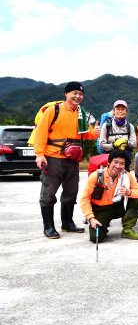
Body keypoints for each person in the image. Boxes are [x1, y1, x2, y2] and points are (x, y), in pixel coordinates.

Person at [34, 81, 100, 238]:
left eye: (80, 94)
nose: (78, 96)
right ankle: (48, 227)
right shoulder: (53, 110)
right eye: (74, 93)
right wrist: (39, 154)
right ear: (66, 94)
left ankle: (67, 223)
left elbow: (87, 134)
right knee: (49, 192)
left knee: (71, 191)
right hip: (53, 156)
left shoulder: (81, 113)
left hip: (73, 157)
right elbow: (41, 132)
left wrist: (95, 132)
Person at [81, 149, 138, 243]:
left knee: (137, 200)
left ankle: (127, 229)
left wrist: (129, 192)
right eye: (115, 162)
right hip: (100, 209)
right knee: (95, 238)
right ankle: (103, 225)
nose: (118, 166)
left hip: (117, 207)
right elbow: (84, 199)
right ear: (109, 162)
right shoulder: (96, 176)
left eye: (122, 163)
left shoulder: (126, 175)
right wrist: (91, 218)